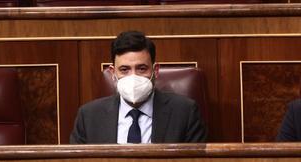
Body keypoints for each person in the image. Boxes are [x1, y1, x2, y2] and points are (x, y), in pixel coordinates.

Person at [70, 31, 207, 144]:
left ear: (156, 71)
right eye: (124, 69)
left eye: (142, 68)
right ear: (113, 73)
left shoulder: (185, 112)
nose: (133, 76)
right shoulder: (88, 116)